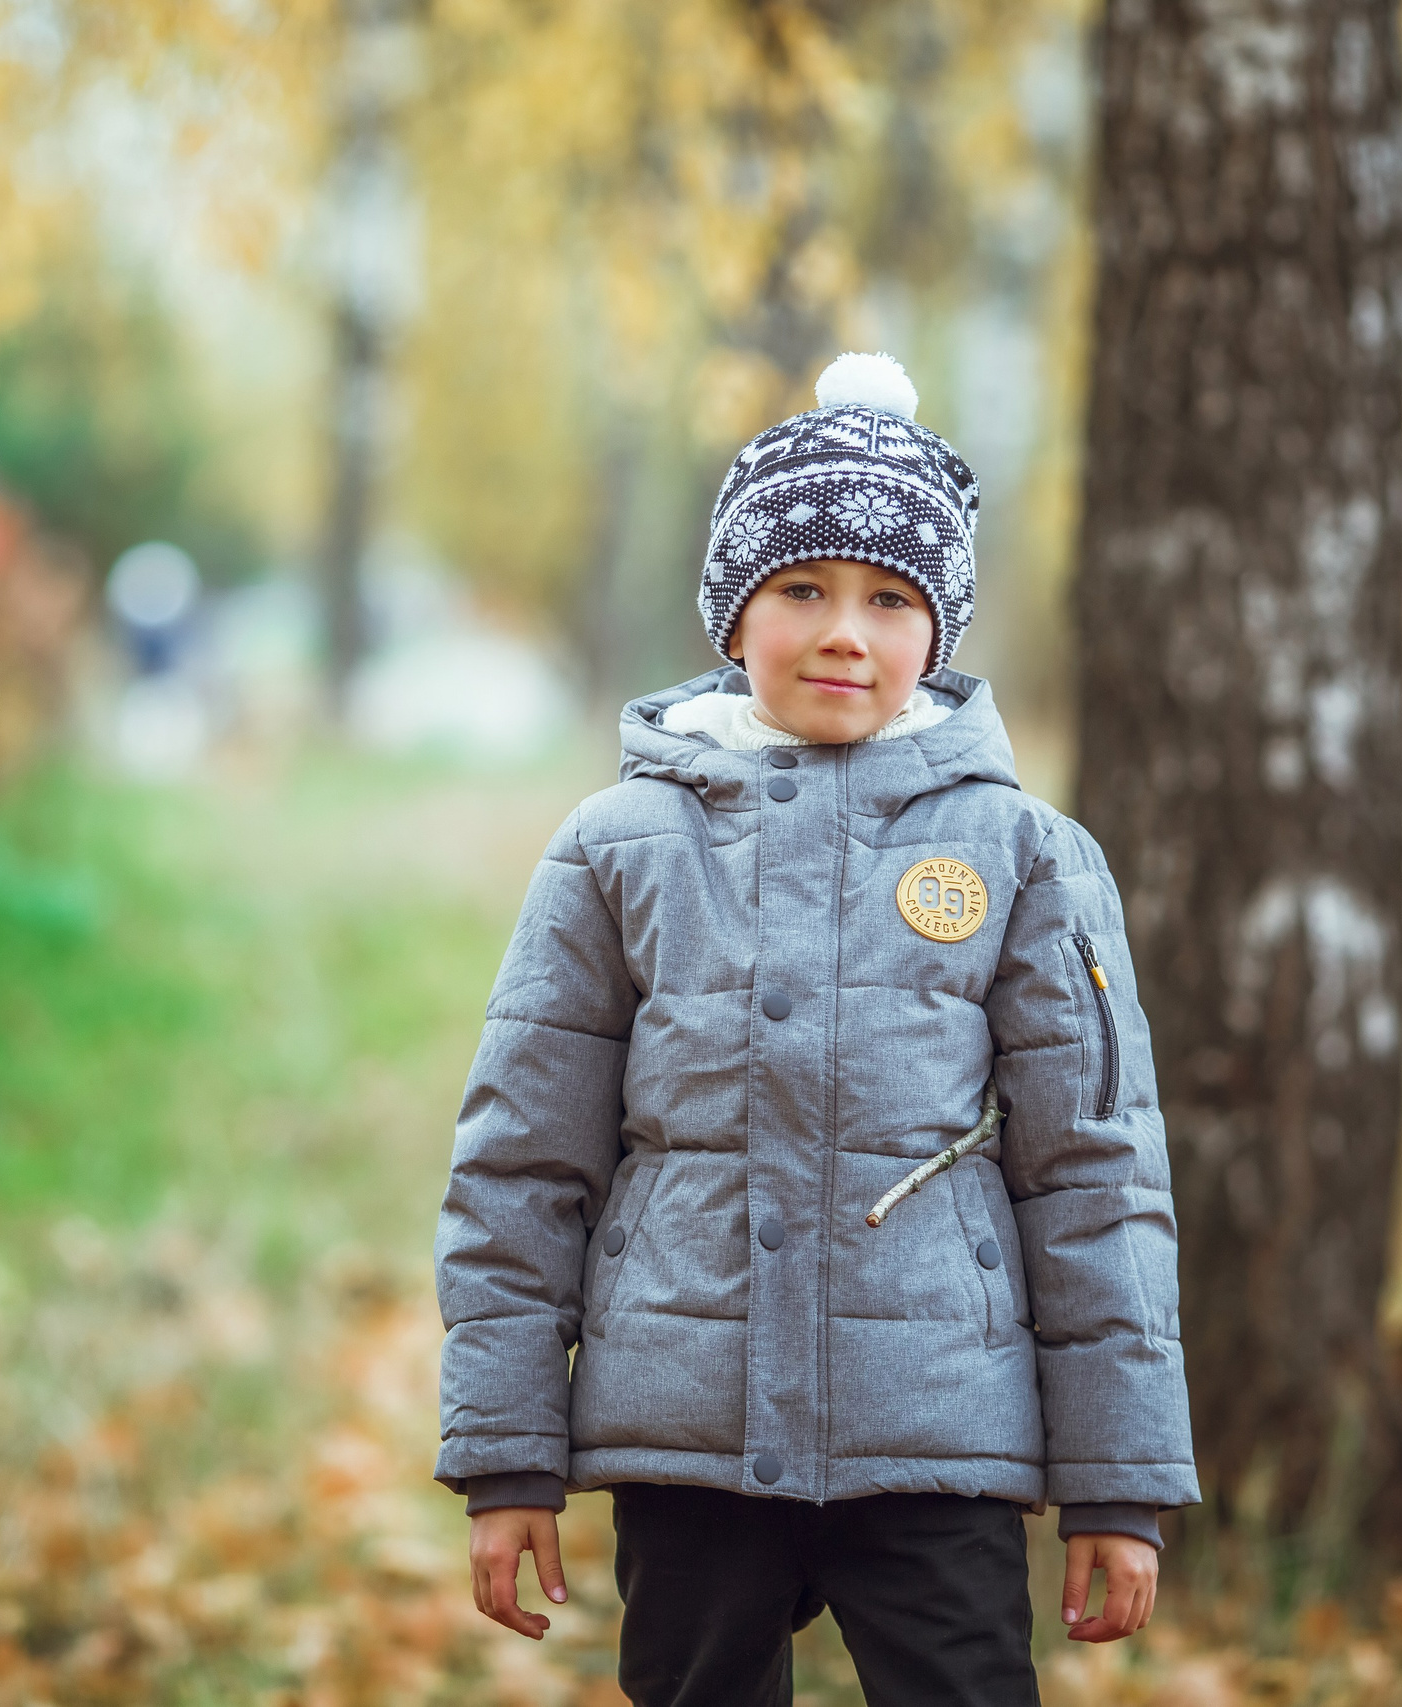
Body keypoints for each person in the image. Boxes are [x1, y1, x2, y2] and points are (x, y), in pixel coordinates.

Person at [433, 352, 1197, 1705]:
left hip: (938, 1429)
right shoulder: (617, 849)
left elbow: (1094, 1173)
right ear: (734, 614)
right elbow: (522, 1161)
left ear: (937, 633)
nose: (846, 632)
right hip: (687, 1431)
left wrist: (1117, 1481)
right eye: (802, 590)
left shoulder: (1027, 855)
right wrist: (507, 1453)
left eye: (890, 599)